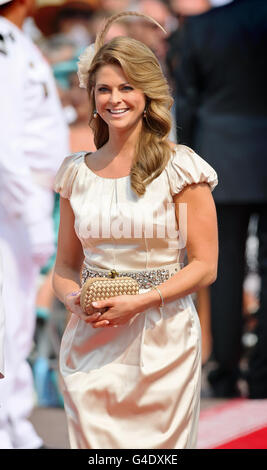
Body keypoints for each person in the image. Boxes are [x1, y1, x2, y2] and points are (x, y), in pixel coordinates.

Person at [52, 11, 218, 449]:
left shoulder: (181, 167)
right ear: (92, 95)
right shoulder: (74, 174)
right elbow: (65, 266)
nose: (115, 99)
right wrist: (75, 299)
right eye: (104, 88)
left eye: (126, 87)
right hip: (91, 342)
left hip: (163, 342)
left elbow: (205, 265)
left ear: (148, 93)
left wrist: (141, 301)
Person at [173, 0, 267, 398]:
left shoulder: (201, 27)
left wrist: (190, 156)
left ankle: (224, 371)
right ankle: (263, 374)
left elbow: (188, 100)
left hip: (221, 155)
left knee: (221, 266)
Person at [0, 0, 69, 448]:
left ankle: (14, 421)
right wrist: (30, 213)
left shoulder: (17, 37)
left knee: (19, 319)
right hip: (11, 206)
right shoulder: (4, 41)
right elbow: (3, 139)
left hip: (21, 202)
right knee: (7, 320)